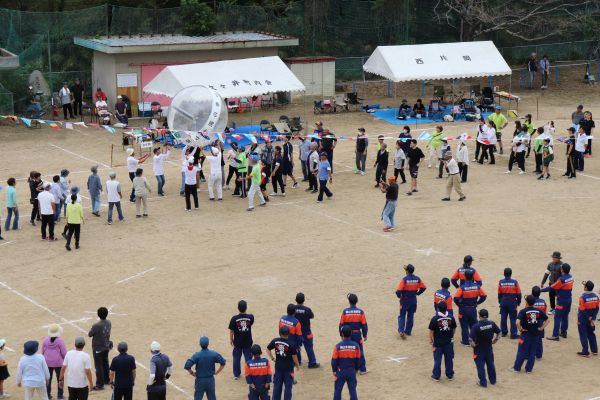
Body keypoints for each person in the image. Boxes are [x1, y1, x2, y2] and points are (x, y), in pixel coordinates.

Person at [512, 295, 549, 373]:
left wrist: (520, 329)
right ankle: (529, 369)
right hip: (535, 334)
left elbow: (517, 322)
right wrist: (541, 328)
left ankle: (516, 368)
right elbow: (547, 320)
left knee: (521, 351)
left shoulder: (523, 311)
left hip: (525, 334)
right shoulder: (538, 311)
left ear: (526, 302)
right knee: (532, 352)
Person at [454, 270, 487, 346]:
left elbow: (456, 298)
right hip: (472, 309)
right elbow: (484, 296)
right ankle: (474, 339)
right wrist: (478, 302)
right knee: (473, 325)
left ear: (464, 277)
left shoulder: (462, 287)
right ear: (473, 277)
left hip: (463, 309)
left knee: (464, 326)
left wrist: (459, 304)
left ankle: (466, 342)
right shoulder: (477, 286)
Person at [469, 309, 500, 387]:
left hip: (479, 349)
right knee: (490, 364)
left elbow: (470, 339)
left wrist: (473, 345)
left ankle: (483, 383)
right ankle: (493, 380)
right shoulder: (492, 323)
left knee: (480, 366)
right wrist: (495, 340)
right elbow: (499, 332)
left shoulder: (476, 326)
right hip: (488, 347)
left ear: (479, 316)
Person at [541, 263, 573, 341]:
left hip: (561, 300)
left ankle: (555, 335)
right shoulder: (571, 277)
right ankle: (564, 332)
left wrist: (541, 290)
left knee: (557, 317)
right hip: (569, 299)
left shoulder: (561, 279)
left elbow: (551, 287)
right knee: (565, 316)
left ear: (562, 270)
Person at [339, 293, 368, 374]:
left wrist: (341, 334)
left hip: (347, 334)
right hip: (357, 334)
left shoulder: (345, 312)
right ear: (357, 301)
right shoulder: (360, 312)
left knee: (348, 350)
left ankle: (351, 368)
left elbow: (341, 324)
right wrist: (365, 335)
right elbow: (364, 324)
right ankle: (362, 369)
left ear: (349, 302)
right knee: (359, 351)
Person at [267, 326, 299, 400]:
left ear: (280, 333)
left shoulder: (275, 341)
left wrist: (273, 358)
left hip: (278, 368)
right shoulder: (292, 344)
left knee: (277, 387)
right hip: (289, 369)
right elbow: (294, 357)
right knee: (288, 388)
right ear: (289, 334)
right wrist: (297, 365)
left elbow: (268, 349)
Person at [396, 264, 427, 338]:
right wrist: (418, 293)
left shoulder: (404, 279)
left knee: (402, 315)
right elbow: (423, 287)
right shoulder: (417, 279)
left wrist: (399, 296)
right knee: (411, 316)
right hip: (413, 300)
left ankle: (401, 331)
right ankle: (408, 331)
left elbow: (398, 291)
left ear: (407, 271)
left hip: (404, 300)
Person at [428, 301, 456, 382]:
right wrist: (451, 336)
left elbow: (431, 331)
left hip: (438, 343)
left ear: (438, 309)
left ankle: (436, 376)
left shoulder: (435, 319)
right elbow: (454, 328)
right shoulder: (451, 317)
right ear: (446, 308)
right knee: (449, 359)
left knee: (437, 360)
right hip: (449, 342)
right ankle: (449, 375)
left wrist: (431, 340)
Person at [331, 325, 360, 400]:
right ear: (351, 333)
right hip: (351, 371)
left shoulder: (337, 346)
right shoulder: (356, 346)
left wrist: (334, 370)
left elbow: (334, 360)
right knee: (353, 391)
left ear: (342, 334)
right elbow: (358, 359)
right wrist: (356, 369)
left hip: (340, 371)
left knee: (338, 391)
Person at [228, 300, 254, 380]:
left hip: (237, 342)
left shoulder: (234, 319)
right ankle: (249, 373)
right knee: (248, 358)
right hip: (247, 342)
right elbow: (250, 324)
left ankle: (236, 374)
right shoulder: (250, 317)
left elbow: (231, 331)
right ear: (246, 308)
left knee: (236, 358)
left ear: (238, 308)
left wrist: (231, 339)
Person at [88, 307, 111, 390]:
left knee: (98, 366)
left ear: (98, 315)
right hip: (106, 346)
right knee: (105, 363)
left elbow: (90, 334)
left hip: (98, 348)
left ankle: (100, 384)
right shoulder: (109, 322)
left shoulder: (96, 325)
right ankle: (107, 380)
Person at [294, 293, 319, 369]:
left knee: (297, 346)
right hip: (306, 331)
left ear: (295, 300)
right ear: (304, 300)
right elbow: (312, 316)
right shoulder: (307, 309)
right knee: (309, 347)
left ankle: (298, 361)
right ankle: (312, 363)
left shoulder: (293, 308)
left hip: (297, 332)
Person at [42, 324, 67, 400]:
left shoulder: (45, 340)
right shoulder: (60, 341)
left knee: (48, 379)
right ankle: (60, 396)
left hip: (47, 363)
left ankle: (48, 395)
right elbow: (64, 353)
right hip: (58, 363)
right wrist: (65, 361)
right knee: (60, 379)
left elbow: (42, 352)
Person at [497, 267, 522, 339]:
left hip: (503, 301)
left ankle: (504, 332)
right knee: (513, 318)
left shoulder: (501, 282)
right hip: (512, 302)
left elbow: (499, 293)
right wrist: (518, 302)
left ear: (504, 274)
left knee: (503, 317)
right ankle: (513, 334)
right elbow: (519, 293)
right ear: (511, 274)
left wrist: (500, 301)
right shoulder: (515, 282)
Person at [577, 281, 599, 357]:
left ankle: (585, 352)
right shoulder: (596, 297)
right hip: (591, 319)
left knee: (583, 334)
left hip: (583, 319)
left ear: (586, 288)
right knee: (591, 334)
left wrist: (588, 317)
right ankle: (594, 350)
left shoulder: (582, 297)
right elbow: (597, 308)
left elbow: (582, 310)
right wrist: (593, 318)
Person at [531, 286, 547, 359]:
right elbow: (544, 312)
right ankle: (539, 354)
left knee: (529, 338)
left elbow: (527, 311)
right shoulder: (543, 302)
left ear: (532, 293)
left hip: (532, 322)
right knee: (539, 339)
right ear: (539, 293)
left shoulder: (530, 301)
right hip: (540, 322)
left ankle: (529, 354)